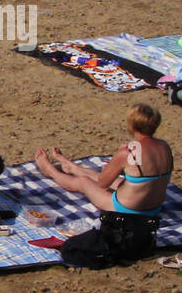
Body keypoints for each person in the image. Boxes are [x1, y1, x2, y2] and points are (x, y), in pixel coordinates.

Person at [34, 103, 172, 266]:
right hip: (153, 208)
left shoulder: (128, 153)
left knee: (84, 183)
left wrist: (117, 157)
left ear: (131, 125)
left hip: (125, 208)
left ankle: (50, 170)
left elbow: (102, 182)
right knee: (125, 181)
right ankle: (72, 167)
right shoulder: (164, 147)